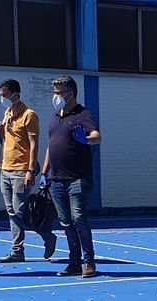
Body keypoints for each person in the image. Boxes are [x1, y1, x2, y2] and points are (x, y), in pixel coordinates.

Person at [40, 76, 101, 277]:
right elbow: (51, 146)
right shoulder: (55, 117)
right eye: (55, 92)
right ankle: (74, 262)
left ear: (70, 93)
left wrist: (86, 139)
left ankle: (89, 262)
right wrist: (44, 172)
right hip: (56, 179)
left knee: (79, 218)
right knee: (65, 221)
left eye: (59, 93)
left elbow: (96, 136)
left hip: (78, 178)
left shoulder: (83, 115)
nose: (56, 96)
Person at [0, 79, 58, 263]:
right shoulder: (7, 113)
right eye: (1, 95)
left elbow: (33, 143)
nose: (2, 98)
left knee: (18, 212)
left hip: (21, 171)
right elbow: (6, 142)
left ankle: (23, 247)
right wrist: (0, 135)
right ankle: (38, 239)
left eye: (5, 95)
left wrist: (30, 170)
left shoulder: (29, 115)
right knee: (13, 212)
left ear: (15, 94)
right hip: (6, 169)